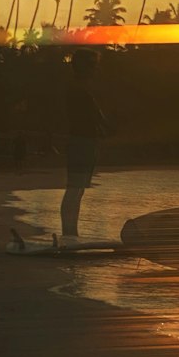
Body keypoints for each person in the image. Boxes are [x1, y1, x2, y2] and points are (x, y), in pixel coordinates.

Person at [60, 49, 108, 245]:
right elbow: (95, 119)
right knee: (74, 188)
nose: (96, 69)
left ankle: (71, 233)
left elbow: (97, 121)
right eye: (93, 65)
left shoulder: (80, 90)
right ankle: (69, 234)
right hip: (81, 143)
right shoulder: (78, 90)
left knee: (77, 190)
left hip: (85, 142)